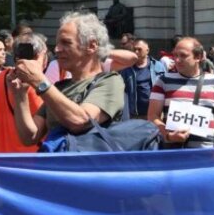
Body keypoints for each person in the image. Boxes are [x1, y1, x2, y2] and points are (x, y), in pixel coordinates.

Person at [10, 12, 129, 148]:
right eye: (57, 43)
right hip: (57, 166)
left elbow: (81, 121)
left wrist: (40, 81)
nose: (57, 49)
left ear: (91, 46)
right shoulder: (59, 87)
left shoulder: (110, 81)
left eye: (66, 43)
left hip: (87, 166)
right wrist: (20, 95)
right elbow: (29, 137)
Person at [147, 37, 214, 148]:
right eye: (175, 55)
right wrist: (169, 136)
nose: (177, 60)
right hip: (173, 154)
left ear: (198, 57)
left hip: (206, 154)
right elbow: (152, 116)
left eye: (183, 56)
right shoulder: (163, 81)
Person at [0, 33, 48, 154]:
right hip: (30, 161)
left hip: (1, 157)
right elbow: (43, 126)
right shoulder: (33, 85)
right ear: (38, 56)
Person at [119, 38, 165, 121]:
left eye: (139, 49)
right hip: (135, 116)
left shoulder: (158, 66)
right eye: (134, 49)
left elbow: (165, 87)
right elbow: (120, 91)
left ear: (147, 50)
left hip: (156, 115)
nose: (136, 52)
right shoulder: (127, 69)